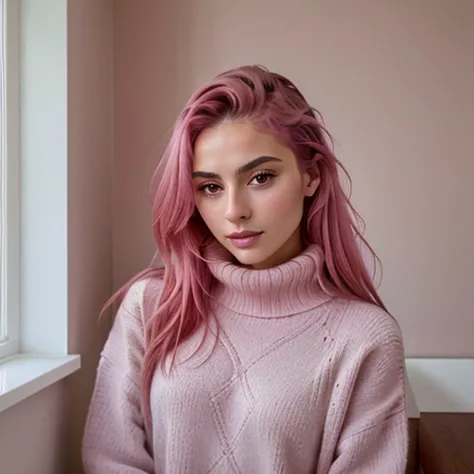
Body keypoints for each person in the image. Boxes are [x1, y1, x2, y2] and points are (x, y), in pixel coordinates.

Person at [82, 65, 408, 473]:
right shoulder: (151, 306)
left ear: (311, 176)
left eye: (260, 177)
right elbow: (110, 459)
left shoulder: (364, 337)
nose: (234, 211)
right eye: (211, 187)